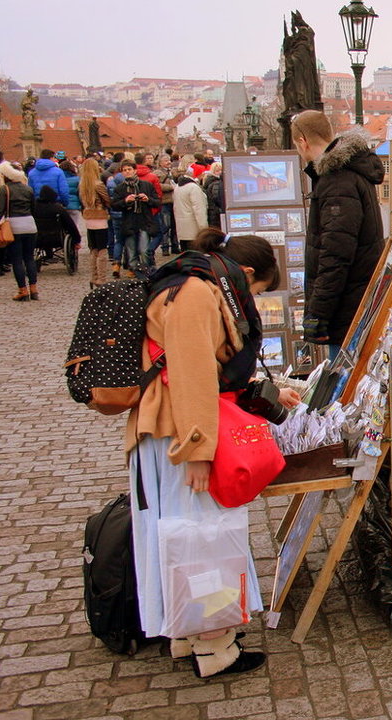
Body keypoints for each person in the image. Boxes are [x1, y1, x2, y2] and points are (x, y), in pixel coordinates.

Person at [126, 227, 300, 679]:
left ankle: (191, 633)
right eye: (256, 290)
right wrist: (200, 451)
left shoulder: (194, 286)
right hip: (182, 436)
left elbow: (212, 371)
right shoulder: (197, 294)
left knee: (184, 536)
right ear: (243, 273)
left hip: (176, 432)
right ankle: (214, 646)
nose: (252, 300)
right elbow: (192, 374)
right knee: (204, 537)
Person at [291, 110, 384, 354]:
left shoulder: (337, 181)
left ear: (303, 141)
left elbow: (335, 256)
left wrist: (317, 315)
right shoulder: (350, 172)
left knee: (341, 378)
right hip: (354, 300)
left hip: (345, 308)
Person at [114, 161, 160, 276]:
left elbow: (157, 202)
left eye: (129, 169)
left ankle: (147, 273)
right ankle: (137, 274)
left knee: (144, 250)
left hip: (144, 221)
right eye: (124, 170)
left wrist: (147, 199)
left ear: (134, 171)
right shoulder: (120, 188)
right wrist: (125, 201)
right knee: (131, 252)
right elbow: (114, 205)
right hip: (129, 223)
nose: (127, 172)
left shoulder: (146, 185)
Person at [0, 167, 39, 301]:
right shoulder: (28, 189)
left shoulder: (5, 189)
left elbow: (0, 210)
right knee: (29, 258)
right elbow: (34, 208)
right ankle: (34, 289)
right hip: (29, 224)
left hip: (14, 226)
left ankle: (23, 290)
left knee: (17, 260)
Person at [33, 185, 82, 273]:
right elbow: (70, 226)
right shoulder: (58, 208)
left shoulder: (34, 208)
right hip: (57, 239)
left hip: (38, 239)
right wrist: (76, 240)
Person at [79, 158, 112, 287]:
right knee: (102, 249)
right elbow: (107, 200)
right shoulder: (98, 184)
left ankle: (94, 276)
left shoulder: (82, 184)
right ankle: (101, 278)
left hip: (88, 217)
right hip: (99, 217)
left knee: (93, 248)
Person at [172, 173, 207, 251]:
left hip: (182, 228)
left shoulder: (178, 187)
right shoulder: (194, 188)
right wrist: (204, 229)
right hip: (194, 229)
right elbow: (199, 210)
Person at [155, 154, 179, 256]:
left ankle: (175, 246)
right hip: (164, 202)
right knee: (165, 226)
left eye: (169, 160)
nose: (168, 162)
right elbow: (157, 186)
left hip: (174, 201)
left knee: (175, 226)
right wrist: (170, 187)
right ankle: (165, 247)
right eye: (165, 160)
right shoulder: (157, 173)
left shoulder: (173, 172)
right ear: (160, 162)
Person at [202, 162, 224, 228]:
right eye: (217, 171)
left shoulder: (208, 181)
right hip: (216, 214)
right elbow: (218, 199)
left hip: (212, 213)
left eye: (221, 170)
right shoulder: (216, 183)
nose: (220, 172)